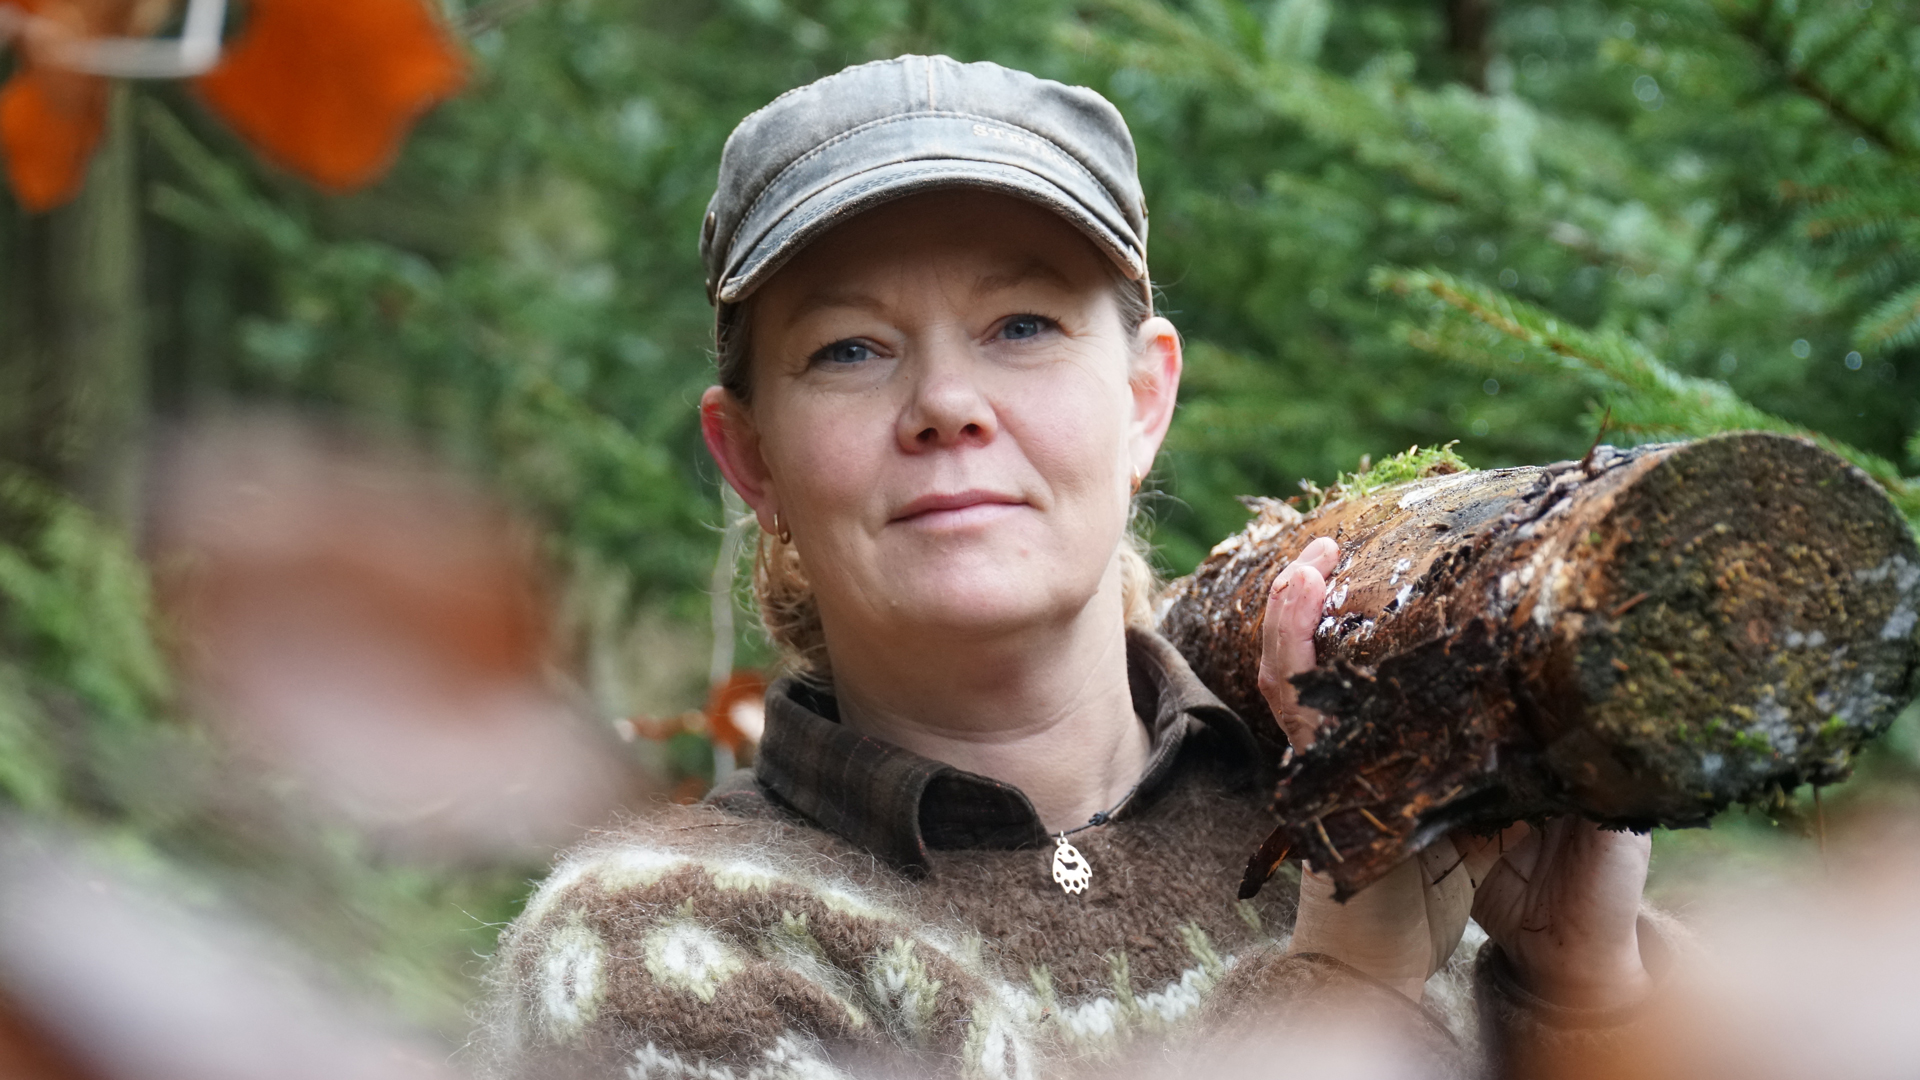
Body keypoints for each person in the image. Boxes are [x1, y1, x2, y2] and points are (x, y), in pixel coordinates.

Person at [479, 55, 1666, 1080]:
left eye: (1023, 327)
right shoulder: (665, 945)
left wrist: (1584, 994)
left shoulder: (1377, 814)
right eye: (850, 349)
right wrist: (1347, 986)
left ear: (1145, 398)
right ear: (753, 461)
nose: (946, 403)